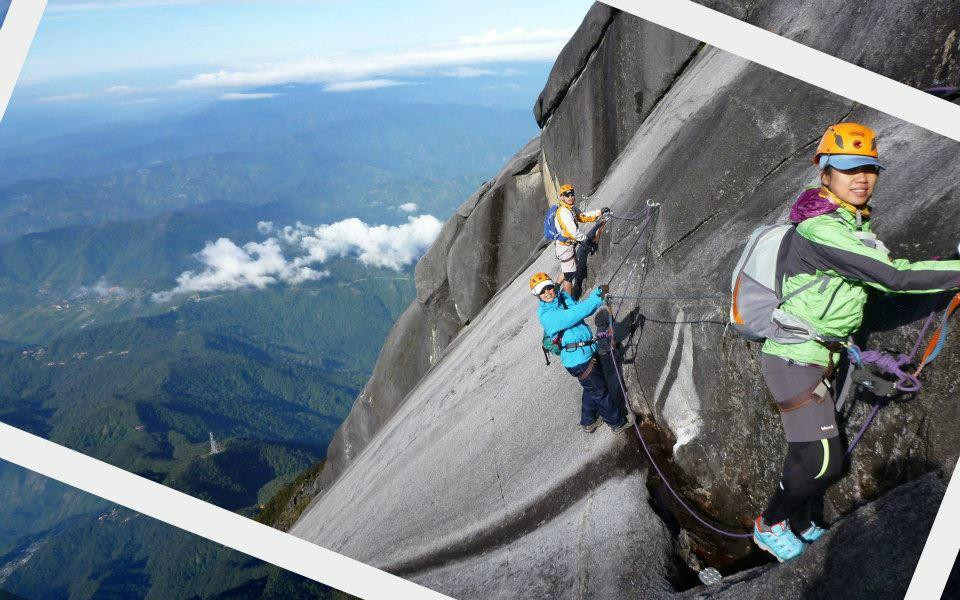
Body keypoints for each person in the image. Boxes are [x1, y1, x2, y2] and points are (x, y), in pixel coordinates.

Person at [751, 122, 960, 562]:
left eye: (869, 168)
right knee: (825, 460)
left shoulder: (845, 220)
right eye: (849, 169)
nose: (862, 178)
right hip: (795, 358)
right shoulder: (822, 230)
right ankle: (769, 524)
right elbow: (894, 275)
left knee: (808, 451)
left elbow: (877, 266)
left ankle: (802, 520)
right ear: (824, 173)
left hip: (821, 355)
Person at [530, 272, 633, 434]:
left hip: (586, 351)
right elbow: (575, 314)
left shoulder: (562, 298)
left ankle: (588, 420)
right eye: (542, 291)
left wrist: (596, 295)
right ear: (537, 295)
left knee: (592, 387)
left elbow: (580, 308)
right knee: (600, 392)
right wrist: (597, 297)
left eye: (549, 287)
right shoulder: (546, 316)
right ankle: (617, 423)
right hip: (577, 359)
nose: (547, 292)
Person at [552, 184, 610, 298]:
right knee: (570, 275)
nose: (570, 197)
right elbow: (572, 232)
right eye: (567, 195)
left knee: (569, 267)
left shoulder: (571, 208)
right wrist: (586, 239)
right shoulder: (563, 212)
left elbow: (583, 217)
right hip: (565, 247)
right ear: (562, 197)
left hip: (568, 246)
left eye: (572, 194)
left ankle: (556, 287)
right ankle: (568, 303)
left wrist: (599, 212)